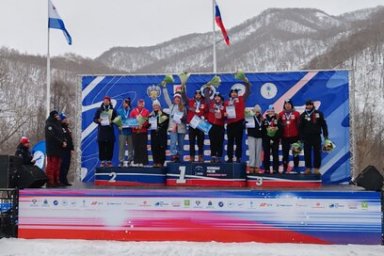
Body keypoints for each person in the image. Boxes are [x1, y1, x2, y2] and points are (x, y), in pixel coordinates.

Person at [299, 99, 329, 175]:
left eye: (310, 105)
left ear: (313, 105)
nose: (309, 106)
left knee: (317, 153)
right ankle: (308, 168)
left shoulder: (319, 113)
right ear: (306, 106)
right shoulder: (302, 115)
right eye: (307, 105)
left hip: (316, 137)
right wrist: (301, 138)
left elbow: (324, 125)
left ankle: (316, 169)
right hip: (306, 138)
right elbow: (300, 128)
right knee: (307, 153)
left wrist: (326, 136)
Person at [224, 82, 250, 163]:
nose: (234, 94)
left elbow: (248, 92)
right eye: (232, 93)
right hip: (230, 124)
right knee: (230, 142)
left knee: (239, 142)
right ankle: (230, 158)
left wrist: (246, 84)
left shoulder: (241, 99)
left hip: (239, 123)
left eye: (235, 92)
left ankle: (238, 158)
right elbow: (223, 113)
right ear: (230, 94)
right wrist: (224, 114)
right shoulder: (226, 102)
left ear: (237, 94)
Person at [162, 87, 187, 162]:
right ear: (174, 99)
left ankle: (179, 156)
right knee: (173, 142)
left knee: (181, 144)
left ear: (180, 99)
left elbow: (186, 119)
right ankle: (173, 155)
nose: (177, 99)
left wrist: (182, 118)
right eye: (176, 98)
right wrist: (164, 88)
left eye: (178, 98)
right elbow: (166, 98)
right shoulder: (171, 106)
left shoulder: (183, 107)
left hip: (181, 128)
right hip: (173, 128)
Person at [93, 96, 118, 167]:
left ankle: (109, 161)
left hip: (110, 131)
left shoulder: (113, 110)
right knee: (102, 146)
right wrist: (98, 120)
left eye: (107, 100)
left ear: (109, 102)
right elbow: (94, 119)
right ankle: (102, 161)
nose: (106, 102)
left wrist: (112, 121)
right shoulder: (99, 110)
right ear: (103, 101)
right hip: (102, 131)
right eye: (105, 100)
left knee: (110, 146)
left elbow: (117, 120)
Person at [183, 89, 207, 162]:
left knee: (200, 142)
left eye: (199, 94)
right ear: (194, 95)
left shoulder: (204, 103)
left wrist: (204, 117)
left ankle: (200, 157)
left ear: (201, 95)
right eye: (196, 94)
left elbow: (207, 112)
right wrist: (183, 90)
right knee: (191, 142)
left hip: (201, 124)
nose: (198, 96)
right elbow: (184, 98)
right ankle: (192, 157)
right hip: (192, 124)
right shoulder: (190, 102)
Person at [278, 99, 301, 173]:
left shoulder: (296, 114)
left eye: (289, 104)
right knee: (285, 154)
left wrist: (300, 137)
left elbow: (299, 126)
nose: (287, 105)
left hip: (295, 137)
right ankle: (285, 169)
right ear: (284, 105)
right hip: (285, 137)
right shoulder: (281, 114)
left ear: (291, 105)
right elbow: (278, 126)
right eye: (286, 104)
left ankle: (296, 168)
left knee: (296, 154)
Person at [45, 110, 67, 187]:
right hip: (52, 149)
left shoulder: (58, 124)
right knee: (52, 166)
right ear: (53, 116)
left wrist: (64, 141)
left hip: (59, 149)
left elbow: (62, 134)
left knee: (57, 166)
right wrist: (61, 142)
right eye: (56, 115)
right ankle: (50, 181)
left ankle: (56, 181)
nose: (58, 117)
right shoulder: (49, 125)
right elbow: (52, 136)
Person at [149, 100, 169, 167]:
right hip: (154, 135)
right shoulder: (150, 115)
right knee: (154, 148)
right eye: (154, 105)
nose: (155, 107)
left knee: (161, 149)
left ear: (159, 106)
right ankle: (155, 162)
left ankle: (161, 163)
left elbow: (166, 125)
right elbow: (148, 125)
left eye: (157, 105)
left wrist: (159, 126)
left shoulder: (164, 115)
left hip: (161, 135)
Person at [130, 99, 150, 166]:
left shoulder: (146, 111)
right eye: (139, 103)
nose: (140, 105)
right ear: (137, 104)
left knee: (143, 147)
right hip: (135, 132)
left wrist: (142, 125)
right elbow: (131, 120)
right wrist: (134, 126)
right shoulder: (133, 111)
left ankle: (143, 162)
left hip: (143, 131)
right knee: (136, 146)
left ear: (144, 104)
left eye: (142, 104)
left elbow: (148, 121)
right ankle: (136, 162)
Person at [206, 92, 225, 163]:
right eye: (216, 97)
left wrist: (223, 114)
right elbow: (206, 96)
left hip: (220, 126)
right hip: (211, 125)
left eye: (218, 97)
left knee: (220, 142)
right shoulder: (211, 104)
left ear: (221, 98)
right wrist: (207, 87)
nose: (217, 98)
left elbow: (228, 114)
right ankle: (213, 156)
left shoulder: (224, 105)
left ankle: (219, 157)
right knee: (212, 142)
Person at [262, 105, 281, 174]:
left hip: (275, 139)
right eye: (269, 111)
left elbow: (280, 128)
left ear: (274, 111)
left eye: (272, 111)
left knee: (275, 154)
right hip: (266, 139)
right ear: (267, 112)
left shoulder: (277, 119)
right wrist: (266, 136)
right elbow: (262, 130)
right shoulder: (264, 120)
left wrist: (276, 130)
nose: (271, 112)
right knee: (266, 154)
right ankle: (266, 169)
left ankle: (275, 169)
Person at [246, 105, 264, 174]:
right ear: (253, 111)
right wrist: (245, 123)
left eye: (258, 112)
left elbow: (264, 128)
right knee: (252, 151)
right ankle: (251, 166)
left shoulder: (262, 119)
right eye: (256, 112)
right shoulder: (250, 118)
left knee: (258, 152)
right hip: (252, 136)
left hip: (259, 137)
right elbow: (245, 125)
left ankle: (257, 166)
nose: (257, 113)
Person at [117, 98, 134, 166]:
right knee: (122, 146)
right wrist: (118, 125)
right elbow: (117, 120)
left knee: (131, 146)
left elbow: (135, 119)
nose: (125, 104)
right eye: (124, 103)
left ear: (129, 103)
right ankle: (121, 160)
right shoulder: (119, 111)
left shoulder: (132, 111)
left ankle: (130, 160)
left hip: (130, 131)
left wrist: (134, 124)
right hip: (122, 131)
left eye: (126, 103)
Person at [59, 113, 74, 186]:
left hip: (68, 149)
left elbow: (70, 139)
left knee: (67, 165)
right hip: (63, 149)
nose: (66, 120)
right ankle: (61, 180)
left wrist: (72, 148)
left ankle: (64, 180)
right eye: (64, 119)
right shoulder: (60, 128)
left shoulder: (67, 128)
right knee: (63, 165)